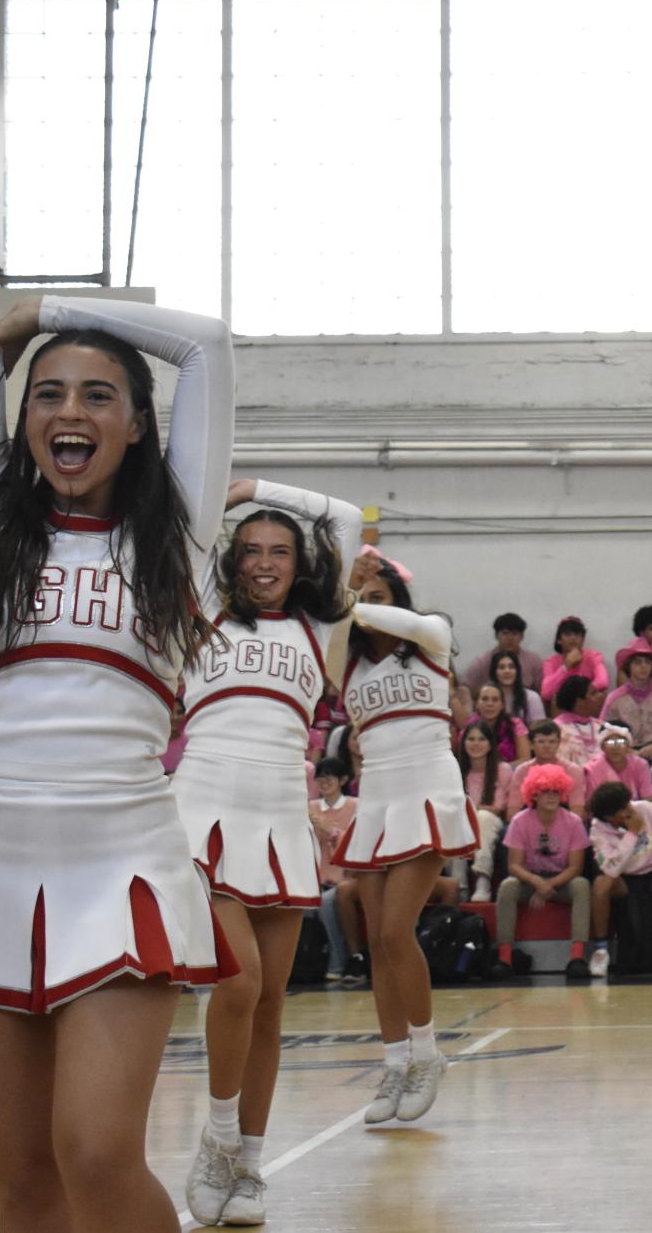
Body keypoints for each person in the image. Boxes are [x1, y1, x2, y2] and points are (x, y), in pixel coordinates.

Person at [0, 286, 235, 1233]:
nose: (69, 412)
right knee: (26, 1184)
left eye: (96, 396)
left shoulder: (180, 536)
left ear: (135, 426)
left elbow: (204, 347)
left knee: (95, 1152)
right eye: (47, 395)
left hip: (117, 869)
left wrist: (36, 313)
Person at [173, 477, 359, 1226]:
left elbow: (343, 516)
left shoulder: (322, 630)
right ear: (229, 559)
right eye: (250, 549)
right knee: (239, 984)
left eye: (279, 551)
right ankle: (216, 1141)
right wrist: (230, 489)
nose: (263, 562)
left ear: (300, 563)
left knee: (273, 1003)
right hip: (202, 815)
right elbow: (183, 518)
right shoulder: (199, 608)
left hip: (281, 820)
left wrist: (260, 488)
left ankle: (249, 1162)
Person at [328, 550, 479, 1127]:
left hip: (427, 790)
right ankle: (394, 1063)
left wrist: (357, 598)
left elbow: (407, 623)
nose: (368, 611)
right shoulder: (349, 665)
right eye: (364, 604)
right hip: (378, 800)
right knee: (376, 943)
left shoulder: (433, 638)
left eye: (380, 601)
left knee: (396, 931)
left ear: (398, 604)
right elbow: (327, 625)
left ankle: (426, 1053)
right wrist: (349, 591)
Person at [491, 763, 593, 980]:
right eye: (545, 791)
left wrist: (550, 885)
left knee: (582, 886)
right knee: (507, 887)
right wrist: (537, 883)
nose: (551, 797)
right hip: (530, 879)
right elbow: (514, 866)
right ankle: (505, 958)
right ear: (534, 795)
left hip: (561, 880)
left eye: (556, 791)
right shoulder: (520, 821)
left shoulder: (573, 822)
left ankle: (577, 957)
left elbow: (576, 867)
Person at [585, 781, 652, 977]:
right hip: (624, 878)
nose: (629, 809)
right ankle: (601, 950)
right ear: (610, 817)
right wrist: (632, 833)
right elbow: (612, 869)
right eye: (623, 809)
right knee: (600, 884)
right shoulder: (597, 829)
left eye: (628, 803)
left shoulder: (644, 808)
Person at [458, 720, 520, 900]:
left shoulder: (503, 769)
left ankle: (482, 881)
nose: (476, 744)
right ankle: (459, 885)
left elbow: (499, 808)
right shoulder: (457, 770)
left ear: (490, 744)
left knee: (483, 816)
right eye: (471, 739)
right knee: (455, 821)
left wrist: (476, 808)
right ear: (463, 743)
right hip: (463, 821)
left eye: (481, 739)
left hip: (492, 822)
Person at [310, 759, 359, 981]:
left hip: (345, 878)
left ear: (343, 780)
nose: (324, 782)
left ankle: (340, 961)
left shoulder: (354, 806)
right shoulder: (309, 808)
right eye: (320, 776)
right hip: (313, 877)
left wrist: (332, 832)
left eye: (329, 777)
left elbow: (355, 844)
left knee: (327, 902)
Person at [604, 638, 652, 756]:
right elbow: (606, 733)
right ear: (628, 666)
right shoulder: (615, 698)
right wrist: (629, 751)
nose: (643, 666)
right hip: (624, 753)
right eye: (637, 662)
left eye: (647, 662)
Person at [462, 612, 544, 693]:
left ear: (522, 636)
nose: (510, 638)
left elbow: (543, 692)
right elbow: (466, 690)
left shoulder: (534, 661)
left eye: (515, 633)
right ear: (496, 635)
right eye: (505, 633)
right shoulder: (482, 662)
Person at [541, 615, 608, 708]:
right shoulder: (550, 662)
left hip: (586, 706)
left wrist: (579, 695)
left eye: (577, 634)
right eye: (567, 634)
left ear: (583, 639)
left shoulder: (593, 656)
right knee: (554, 698)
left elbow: (603, 681)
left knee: (601, 695)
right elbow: (546, 693)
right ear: (559, 640)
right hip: (562, 709)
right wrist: (566, 666)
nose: (573, 638)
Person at [583, 726, 652, 811]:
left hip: (636, 814)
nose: (615, 747)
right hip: (605, 816)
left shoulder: (640, 765)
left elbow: (648, 800)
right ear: (602, 746)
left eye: (620, 742)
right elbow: (591, 806)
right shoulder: (592, 769)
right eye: (610, 742)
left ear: (628, 746)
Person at [468, 682, 531, 762]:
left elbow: (524, 760)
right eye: (484, 699)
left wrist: (501, 770)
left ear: (502, 705)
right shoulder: (470, 726)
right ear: (476, 704)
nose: (490, 704)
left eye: (495, 700)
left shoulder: (515, 724)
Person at [488, 649, 546, 725]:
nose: (507, 671)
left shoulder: (531, 697)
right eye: (501, 667)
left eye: (511, 667)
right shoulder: (488, 697)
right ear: (494, 672)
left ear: (517, 671)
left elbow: (540, 729)